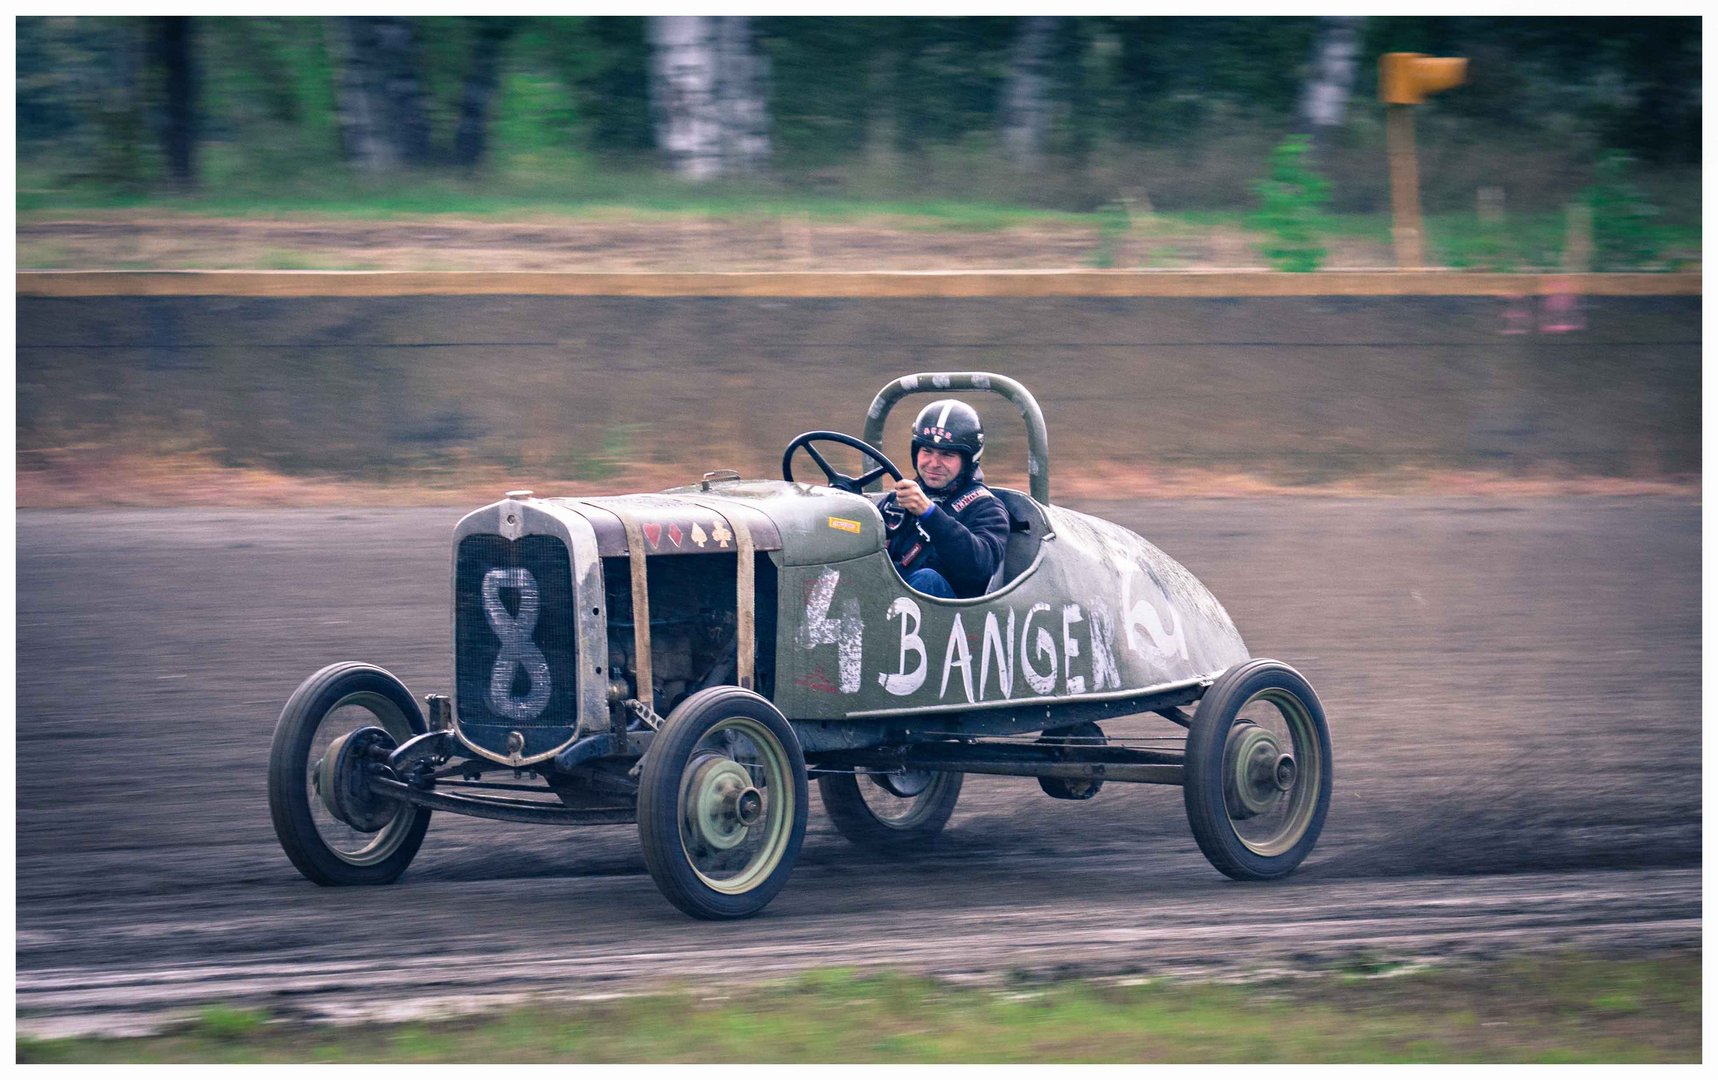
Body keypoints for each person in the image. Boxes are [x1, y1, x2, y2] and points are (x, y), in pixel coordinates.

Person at [882, 399, 1010, 599]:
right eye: (927, 451)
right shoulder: (895, 503)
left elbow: (980, 567)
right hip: (884, 604)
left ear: (968, 461)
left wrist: (929, 514)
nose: (933, 463)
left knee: (927, 580)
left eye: (947, 454)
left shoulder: (987, 508)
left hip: (954, 619)